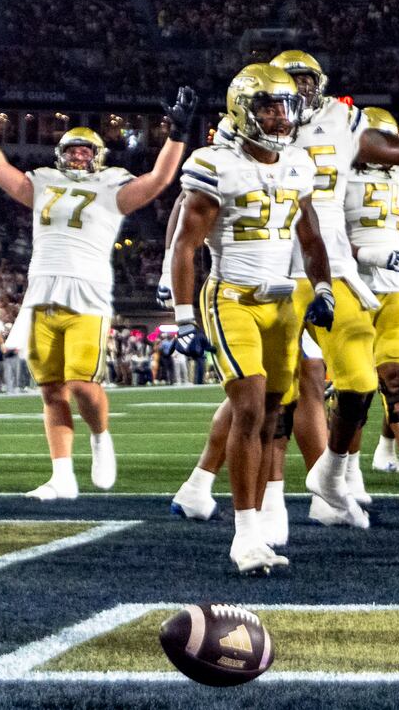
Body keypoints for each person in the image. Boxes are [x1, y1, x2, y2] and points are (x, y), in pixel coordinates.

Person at [0, 83, 197, 499]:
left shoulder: (112, 186)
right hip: (42, 290)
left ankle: (100, 436)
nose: (79, 155)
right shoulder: (42, 182)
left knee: (81, 384)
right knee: (50, 390)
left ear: (98, 157)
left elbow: (158, 180)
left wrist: (177, 133)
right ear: (60, 154)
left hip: (89, 293)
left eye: (86, 150)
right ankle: (62, 476)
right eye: (73, 149)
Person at [167, 64, 336, 574]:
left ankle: (257, 525)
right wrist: (182, 317)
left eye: (285, 105)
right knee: (248, 406)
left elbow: (311, 238)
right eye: (268, 106)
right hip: (232, 297)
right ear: (243, 109)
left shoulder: (299, 163)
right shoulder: (215, 163)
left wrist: (323, 288)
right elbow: (185, 245)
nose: (280, 116)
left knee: (274, 416)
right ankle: (243, 535)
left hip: (282, 303)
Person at [272, 50, 399, 530]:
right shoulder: (245, 131)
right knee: (270, 395)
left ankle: (328, 477)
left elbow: (385, 150)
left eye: (307, 79)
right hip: (265, 271)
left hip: (327, 271)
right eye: (290, 80)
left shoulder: (341, 121)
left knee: (356, 379)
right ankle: (262, 506)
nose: (300, 89)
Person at [344, 105, 399, 506]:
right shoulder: (336, 177)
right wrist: (373, 256)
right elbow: (323, 240)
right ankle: (349, 472)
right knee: (353, 389)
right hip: (353, 291)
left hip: (397, 291)